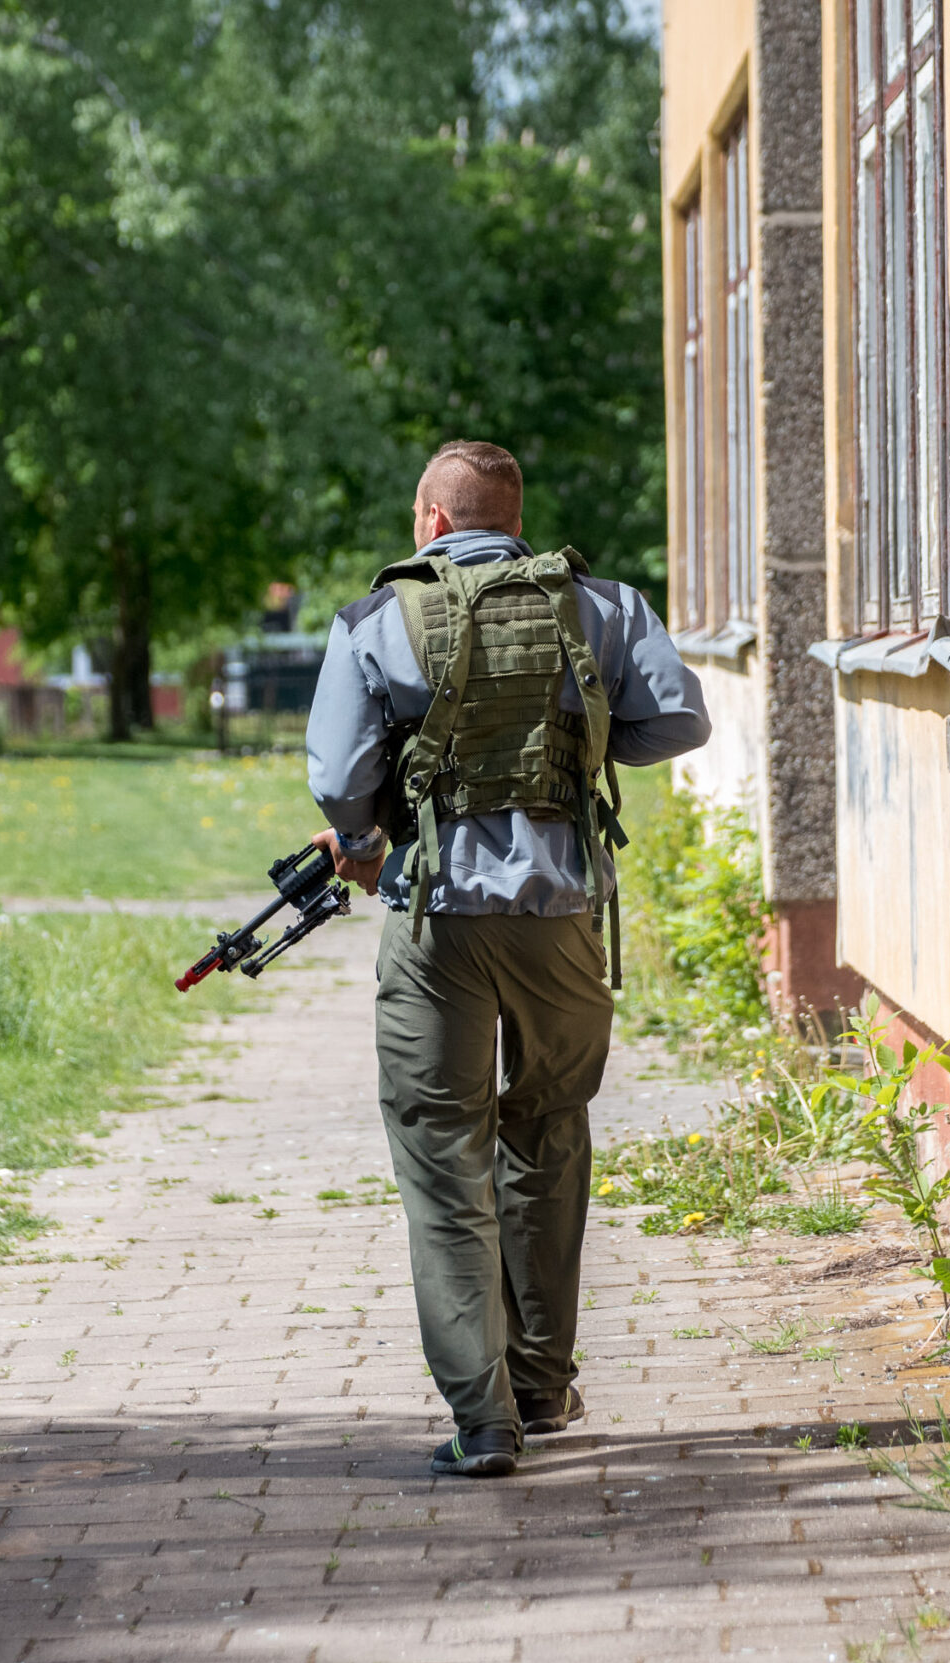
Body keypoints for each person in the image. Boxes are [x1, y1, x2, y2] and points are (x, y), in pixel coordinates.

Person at [306, 440, 710, 1478]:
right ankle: (542, 1379)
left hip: (436, 918)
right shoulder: (602, 605)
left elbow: (339, 783)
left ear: (432, 520)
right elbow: (678, 719)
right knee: (548, 1128)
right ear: (514, 518)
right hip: (564, 913)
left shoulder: (375, 618)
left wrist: (373, 831)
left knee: (444, 1147)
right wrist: (583, 748)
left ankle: (485, 1419)